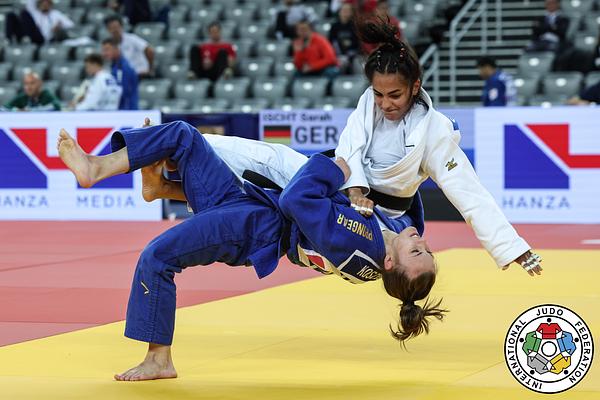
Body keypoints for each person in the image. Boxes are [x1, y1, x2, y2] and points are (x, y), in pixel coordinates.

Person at [57, 119, 456, 380]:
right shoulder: (394, 238)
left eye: (417, 252)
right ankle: (114, 173)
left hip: (254, 228)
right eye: (428, 250)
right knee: (182, 136)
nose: (422, 242)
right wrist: (423, 159)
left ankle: (159, 359)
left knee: (157, 255)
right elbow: (406, 203)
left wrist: (337, 169)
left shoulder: (355, 240)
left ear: (389, 262)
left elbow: (297, 199)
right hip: (250, 204)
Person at [329, 17, 542, 273]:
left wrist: (509, 246)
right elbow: (349, 146)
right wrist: (355, 192)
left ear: (414, 87)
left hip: (385, 221)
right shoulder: (367, 103)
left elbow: (467, 190)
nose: (385, 104)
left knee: (408, 274)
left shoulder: (434, 131)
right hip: (345, 196)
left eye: (395, 95)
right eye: (379, 94)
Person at [5, 0, 74, 45]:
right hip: (31, 33)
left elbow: (71, 25)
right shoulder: (35, 13)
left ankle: (26, 38)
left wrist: (59, 26)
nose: (44, 5)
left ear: (50, 4)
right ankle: (8, 40)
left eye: (47, 3)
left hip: (44, 38)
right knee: (11, 15)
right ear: (39, 4)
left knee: (24, 13)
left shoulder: (56, 14)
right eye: (42, 3)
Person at [102, 38, 139, 110]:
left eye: (107, 49)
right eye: (103, 50)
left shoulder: (123, 67)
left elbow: (123, 92)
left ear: (116, 49)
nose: (104, 53)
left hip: (127, 110)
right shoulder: (115, 66)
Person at [328, 3, 360, 74]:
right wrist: (338, 54)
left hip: (352, 54)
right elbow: (331, 42)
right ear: (339, 12)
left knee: (356, 62)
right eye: (343, 10)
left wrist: (349, 54)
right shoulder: (334, 26)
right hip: (338, 54)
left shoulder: (355, 26)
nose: (345, 12)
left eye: (348, 10)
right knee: (341, 61)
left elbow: (357, 43)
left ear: (351, 13)